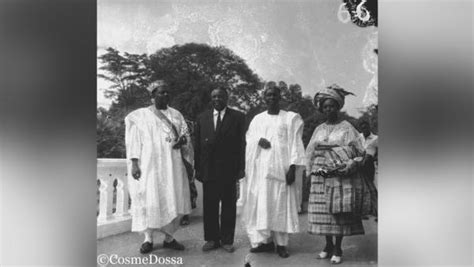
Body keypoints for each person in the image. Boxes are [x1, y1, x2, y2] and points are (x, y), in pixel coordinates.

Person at [125, 80, 193, 254]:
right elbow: (134, 140)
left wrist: (183, 141)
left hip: (173, 165)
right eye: (161, 93)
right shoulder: (141, 115)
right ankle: (148, 239)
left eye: (167, 92)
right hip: (150, 165)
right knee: (150, 199)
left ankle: (169, 238)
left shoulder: (176, 115)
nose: (165, 95)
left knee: (174, 198)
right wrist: (134, 163)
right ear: (152, 96)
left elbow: (185, 135)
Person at [305, 84, 369, 264]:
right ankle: (327, 245)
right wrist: (309, 172)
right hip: (319, 173)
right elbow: (310, 150)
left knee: (337, 210)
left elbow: (358, 148)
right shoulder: (319, 129)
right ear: (322, 109)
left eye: (332, 106)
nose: (328, 109)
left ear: (338, 107)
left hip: (338, 172)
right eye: (325, 107)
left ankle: (338, 247)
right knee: (323, 210)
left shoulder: (346, 127)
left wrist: (337, 151)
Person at [241, 84, 306, 258]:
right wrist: (258, 141)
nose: (271, 98)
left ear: (280, 97)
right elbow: (249, 138)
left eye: (275, 95)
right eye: (268, 95)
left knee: (281, 206)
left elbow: (296, 144)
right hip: (262, 172)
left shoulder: (290, 118)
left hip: (283, 171)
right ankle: (266, 242)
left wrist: (293, 167)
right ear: (264, 98)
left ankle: (282, 245)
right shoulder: (257, 119)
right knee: (264, 205)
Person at [194, 87, 246, 253]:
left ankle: (227, 240)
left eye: (220, 96)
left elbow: (241, 145)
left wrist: (241, 168)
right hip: (208, 169)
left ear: (226, 98)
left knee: (229, 206)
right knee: (209, 206)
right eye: (214, 96)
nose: (217, 99)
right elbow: (197, 147)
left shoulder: (237, 117)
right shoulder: (202, 118)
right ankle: (211, 239)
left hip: (229, 169)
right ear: (211, 98)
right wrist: (198, 169)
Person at [358, 120, 378, 221]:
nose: (364, 129)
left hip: (369, 164)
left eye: (366, 127)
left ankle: (377, 212)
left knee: (372, 187)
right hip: (359, 164)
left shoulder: (375, 138)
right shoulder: (358, 137)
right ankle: (362, 212)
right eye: (362, 127)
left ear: (369, 127)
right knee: (360, 188)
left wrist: (373, 157)